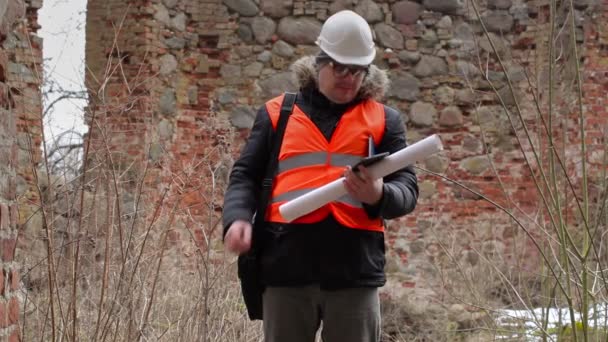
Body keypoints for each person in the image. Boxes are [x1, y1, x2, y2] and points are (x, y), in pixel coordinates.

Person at [222, 10, 419, 342]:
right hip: (286, 269)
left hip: (354, 273)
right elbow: (245, 177)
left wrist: (379, 195)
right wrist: (237, 218)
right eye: (339, 67)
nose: (348, 77)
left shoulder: (386, 120)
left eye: (357, 70)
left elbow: (408, 191)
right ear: (319, 61)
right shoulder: (277, 114)